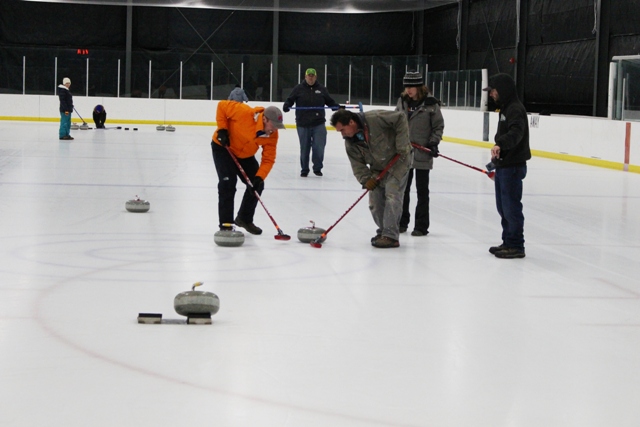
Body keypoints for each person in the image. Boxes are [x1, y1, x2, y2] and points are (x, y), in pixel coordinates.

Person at [330, 109, 412, 248]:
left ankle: (390, 236)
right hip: (378, 168)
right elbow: (357, 164)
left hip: (398, 161)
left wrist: (402, 144)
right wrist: (366, 179)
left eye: (343, 130)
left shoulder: (376, 118)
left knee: (392, 196)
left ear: (351, 122)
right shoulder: (351, 142)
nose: (343, 134)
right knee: (375, 201)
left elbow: (400, 117)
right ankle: (383, 231)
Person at [211, 101, 285, 235]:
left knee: (257, 185)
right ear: (264, 119)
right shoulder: (244, 112)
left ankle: (244, 218)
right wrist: (222, 129)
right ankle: (226, 224)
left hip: (245, 155)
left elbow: (268, 158)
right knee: (228, 183)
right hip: (223, 148)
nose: (274, 130)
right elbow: (222, 106)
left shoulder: (272, 135)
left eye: (277, 127)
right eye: (273, 125)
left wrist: (259, 177)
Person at [483, 73, 531, 259]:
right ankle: (508, 241)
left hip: (513, 166)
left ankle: (516, 245)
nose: (492, 94)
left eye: (494, 91)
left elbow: (516, 132)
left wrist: (500, 144)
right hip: (504, 165)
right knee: (503, 207)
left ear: (503, 90)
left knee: (511, 207)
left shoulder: (515, 109)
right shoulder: (506, 108)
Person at [396, 71, 445, 237]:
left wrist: (433, 142)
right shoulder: (402, 102)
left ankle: (421, 226)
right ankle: (402, 222)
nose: (408, 90)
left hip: (423, 152)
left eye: (411, 86)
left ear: (419, 87)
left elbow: (438, 126)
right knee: (403, 189)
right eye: (406, 86)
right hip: (404, 152)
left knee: (422, 190)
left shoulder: (431, 104)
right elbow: (395, 122)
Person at [283, 68, 339, 177]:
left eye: (313, 75)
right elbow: (290, 99)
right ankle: (304, 169)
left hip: (318, 123)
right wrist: (287, 105)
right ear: (305, 77)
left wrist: (334, 106)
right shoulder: (298, 88)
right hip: (302, 123)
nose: (311, 77)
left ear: (316, 77)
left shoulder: (322, 89)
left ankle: (317, 168)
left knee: (319, 147)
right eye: (309, 75)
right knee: (305, 147)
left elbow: (329, 101)